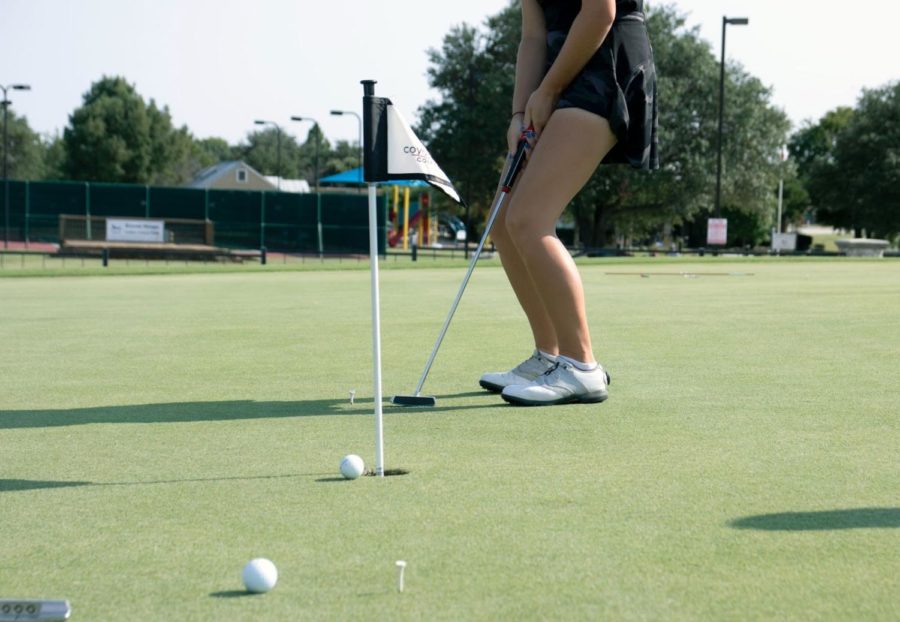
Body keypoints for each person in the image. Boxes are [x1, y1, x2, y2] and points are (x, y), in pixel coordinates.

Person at [479, 0, 658, 406]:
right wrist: (519, 111)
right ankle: (550, 356)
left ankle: (581, 366)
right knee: (505, 222)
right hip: (556, 75)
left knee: (528, 219)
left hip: (604, 64)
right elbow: (533, 35)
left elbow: (600, 12)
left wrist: (549, 90)